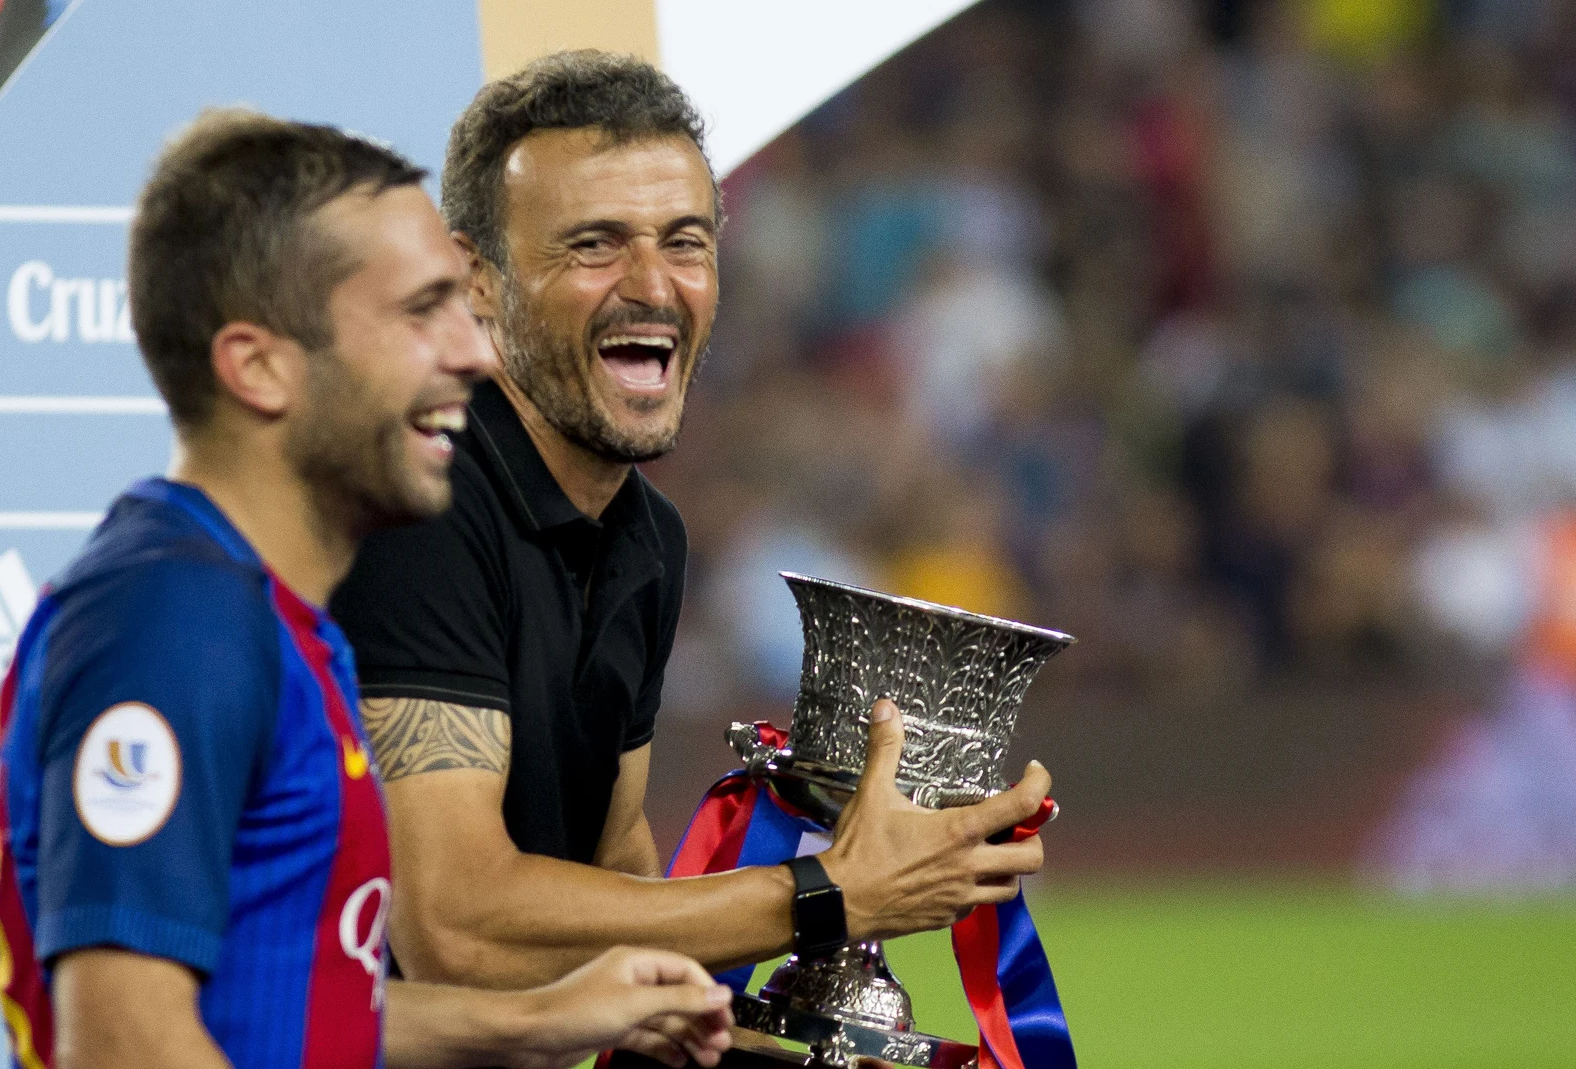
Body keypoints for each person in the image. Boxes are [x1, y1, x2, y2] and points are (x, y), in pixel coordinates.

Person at [0, 108, 735, 1069]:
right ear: (259, 366)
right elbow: (127, 1043)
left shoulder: (281, 625)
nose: (468, 353)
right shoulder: (170, 624)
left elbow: (291, 1013)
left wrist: (537, 1020)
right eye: (416, 315)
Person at [331, 51, 1053, 990]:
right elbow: (453, 925)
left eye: (685, 241)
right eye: (594, 244)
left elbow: (612, 859)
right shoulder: (418, 499)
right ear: (476, 278)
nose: (653, 285)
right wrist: (824, 894)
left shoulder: (645, 534)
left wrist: (788, 1011)